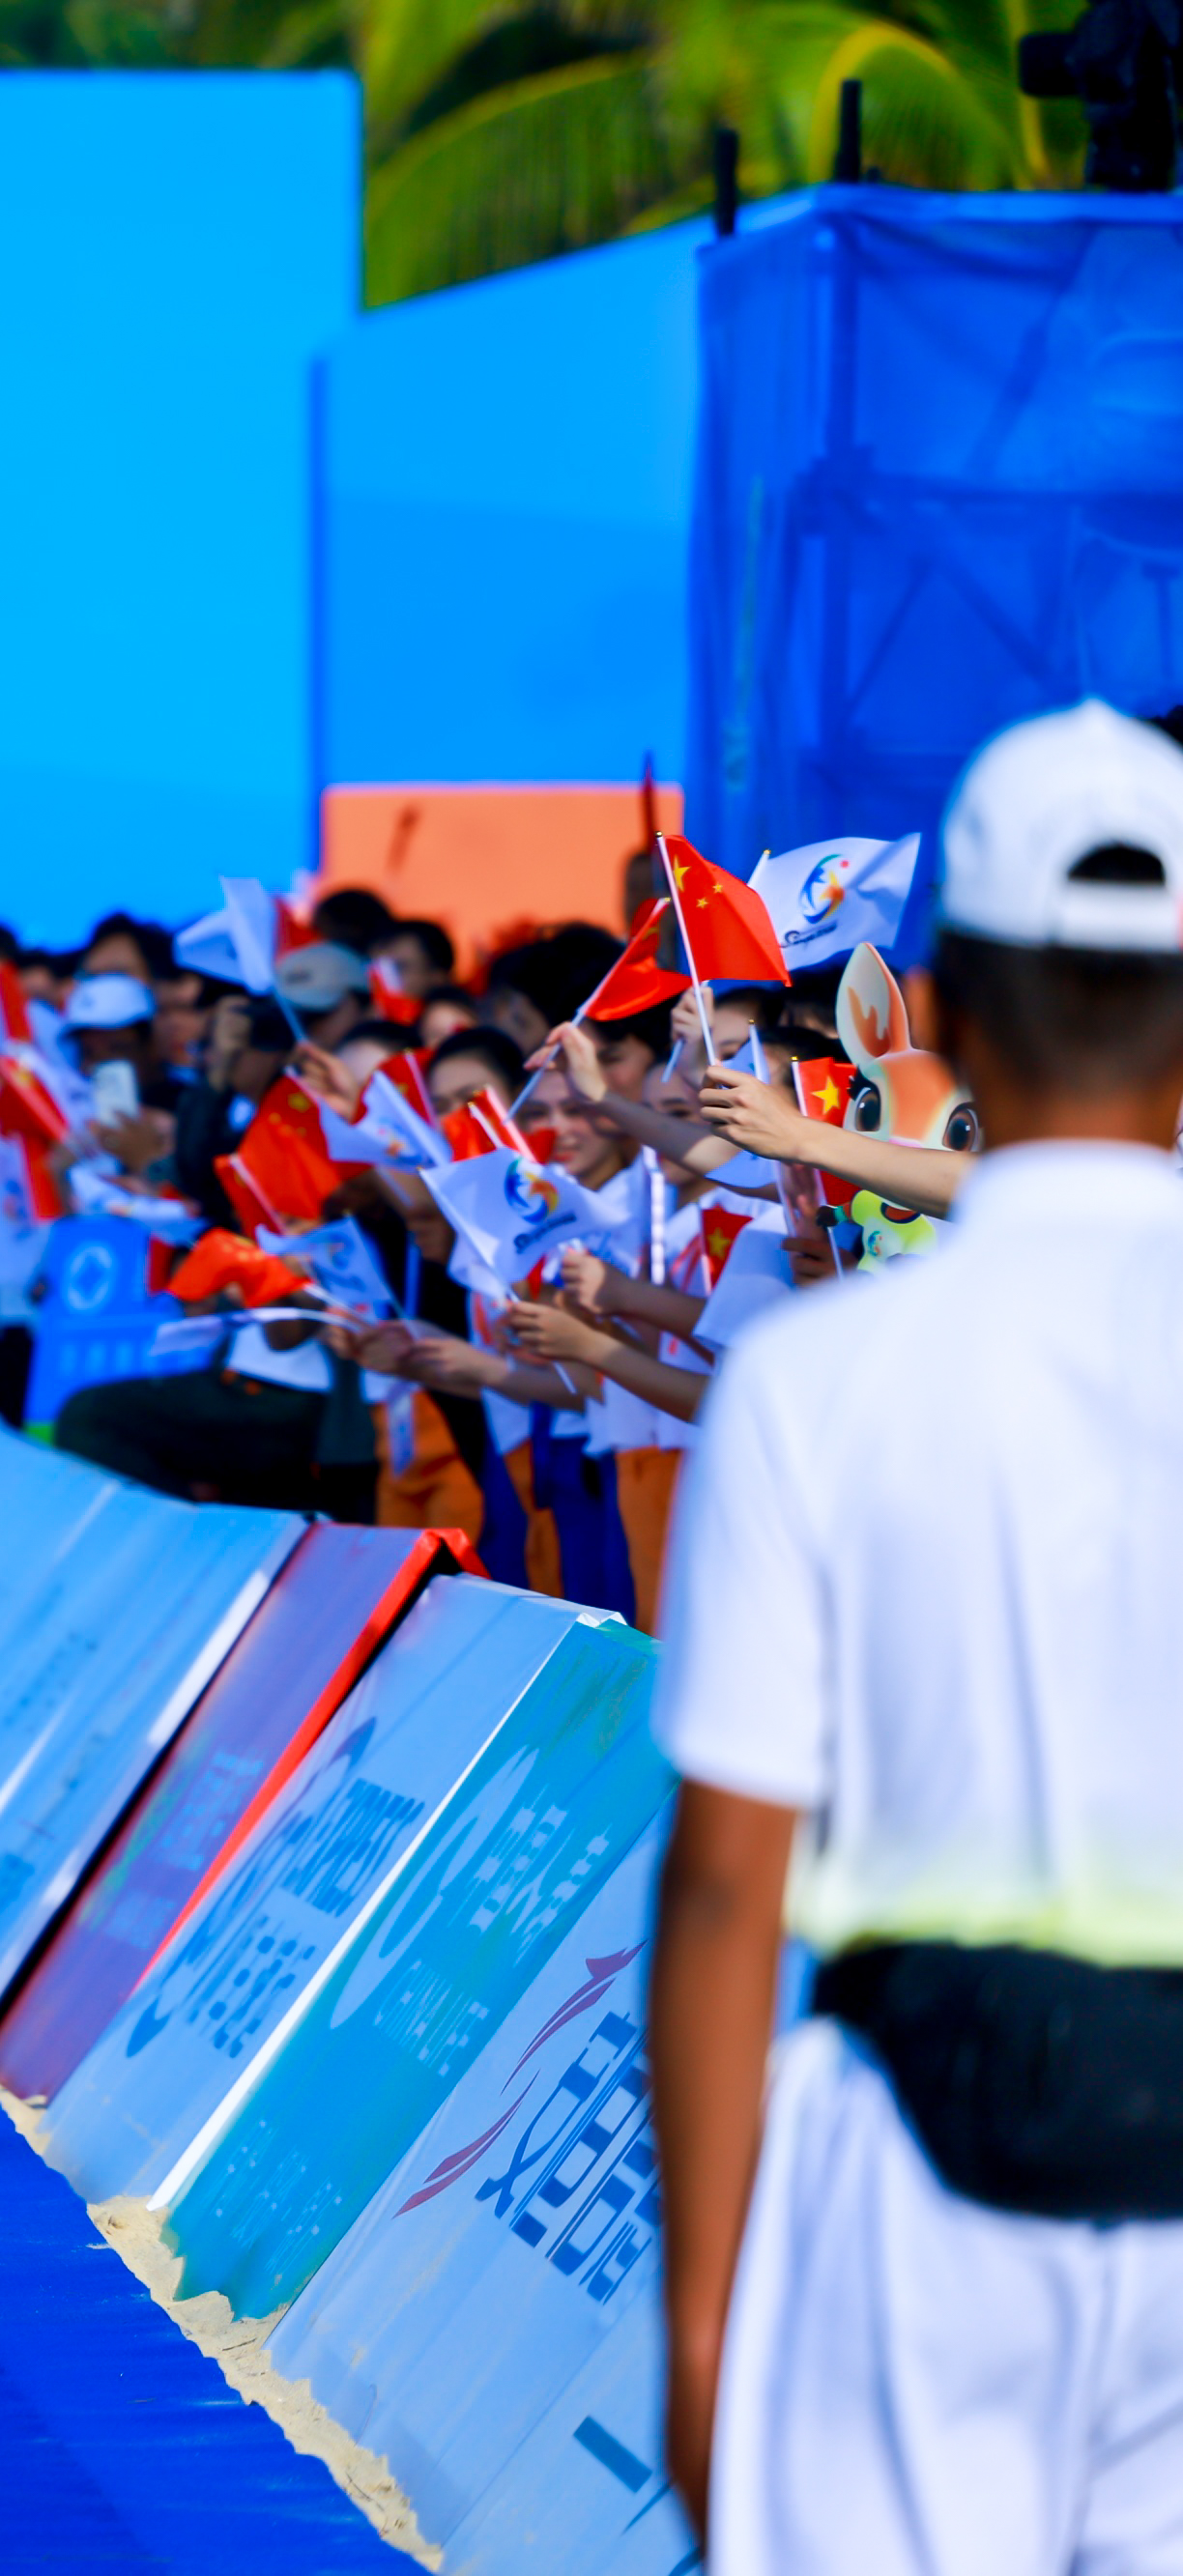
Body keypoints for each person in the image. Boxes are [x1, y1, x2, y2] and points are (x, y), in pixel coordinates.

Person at [651, 700, 1183, 2573]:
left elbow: (724, 1887)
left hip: (916, 2173)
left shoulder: (812, 1380)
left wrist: (701, 2319)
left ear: (936, 1006)